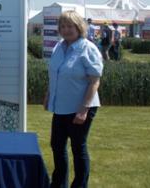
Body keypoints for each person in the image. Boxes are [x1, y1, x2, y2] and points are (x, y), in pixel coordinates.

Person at [44, 10, 103, 188]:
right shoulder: (58, 47)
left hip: (81, 107)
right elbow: (55, 74)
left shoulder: (88, 48)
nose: (66, 29)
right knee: (57, 145)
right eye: (62, 26)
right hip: (60, 106)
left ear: (79, 27)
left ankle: (79, 185)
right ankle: (59, 183)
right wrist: (48, 94)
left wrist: (84, 109)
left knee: (78, 148)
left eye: (70, 26)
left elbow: (94, 80)